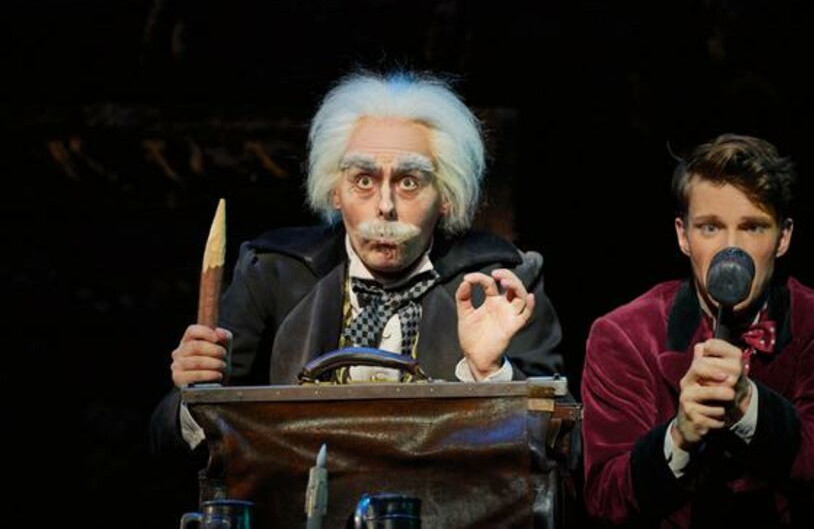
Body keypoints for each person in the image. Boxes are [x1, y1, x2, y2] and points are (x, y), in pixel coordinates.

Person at [151, 70, 564, 454]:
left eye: (409, 182)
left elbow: (560, 448)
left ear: (446, 197)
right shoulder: (272, 272)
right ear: (335, 191)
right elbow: (170, 447)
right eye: (363, 181)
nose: (384, 206)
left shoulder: (501, 282)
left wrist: (490, 374)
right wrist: (195, 397)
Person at [581, 134, 814, 527]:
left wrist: (748, 406)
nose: (731, 249)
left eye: (753, 228)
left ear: (783, 237)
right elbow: (604, 499)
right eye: (710, 227)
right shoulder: (623, 334)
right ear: (683, 235)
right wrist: (678, 437)